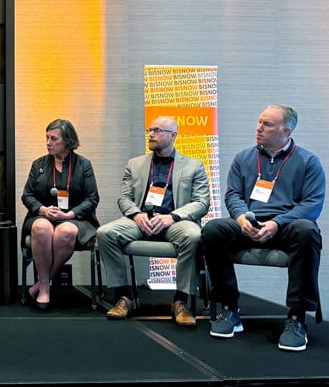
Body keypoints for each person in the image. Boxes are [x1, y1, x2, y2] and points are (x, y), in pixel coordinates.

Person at [202, 104, 324, 352]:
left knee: (307, 230)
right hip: (249, 222)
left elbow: (312, 203)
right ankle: (229, 309)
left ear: (285, 130)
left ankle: (296, 318)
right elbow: (234, 194)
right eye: (259, 122)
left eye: (267, 124)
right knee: (214, 229)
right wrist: (239, 218)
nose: (258, 128)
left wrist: (277, 223)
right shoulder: (244, 158)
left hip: (287, 225)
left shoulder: (308, 161)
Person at [97, 116, 210, 326]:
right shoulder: (135, 164)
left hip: (174, 221)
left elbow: (202, 202)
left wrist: (172, 217)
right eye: (150, 130)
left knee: (193, 235)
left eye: (157, 130)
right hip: (140, 220)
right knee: (105, 233)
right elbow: (124, 198)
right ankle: (124, 297)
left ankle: (180, 301)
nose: (151, 134)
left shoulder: (194, 166)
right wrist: (136, 215)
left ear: (173, 135)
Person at [20, 118, 100, 308]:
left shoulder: (83, 165)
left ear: (68, 141)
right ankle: (45, 289)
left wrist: (69, 215)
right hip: (43, 215)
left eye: (54, 139)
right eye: (47, 138)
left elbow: (92, 198)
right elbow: (27, 195)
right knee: (41, 228)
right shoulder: (38, 164)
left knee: (66, 232)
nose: (48, 142)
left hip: (74, 218)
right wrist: (42, 209)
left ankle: (41, 283)